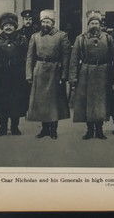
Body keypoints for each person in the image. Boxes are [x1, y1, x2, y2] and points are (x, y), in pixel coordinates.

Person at [69, 11, 114, 140]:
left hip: (103, 72)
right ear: (88, 25)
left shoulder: (107, 38)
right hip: (86, 71)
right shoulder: (81, 38)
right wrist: (73, 77)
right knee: (87, 103)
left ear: (100, 25)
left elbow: (113, 58)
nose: (94, 25)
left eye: (97, 23)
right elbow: (74, 59)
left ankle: (99, 130)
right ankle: (89, 130)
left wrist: (112, 77)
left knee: (101, 102)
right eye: (92, 23)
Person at [25, 10, 71, 139]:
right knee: (41, 102)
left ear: (53, 23)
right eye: (43, 22)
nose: (45, 24)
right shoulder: (35, 36)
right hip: (39, 70)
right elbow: (30, 57)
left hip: (55, 71)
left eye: (48, 22)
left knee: (53, 102)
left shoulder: (62, 36)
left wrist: (64, 75)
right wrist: (29, 74)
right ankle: (44, 129)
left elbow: (66, 58)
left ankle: (53, 130)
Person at [0, 12, 29, 136]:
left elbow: (27, 55)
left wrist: (16, 65)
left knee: (16, 100)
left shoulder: (22, 40)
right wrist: (0, 66)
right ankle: (2, 128)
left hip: (17, 75)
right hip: (0, 76)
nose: (8, 27)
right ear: (2, 27)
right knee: (1, 101)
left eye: (11, 25)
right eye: (5, 25)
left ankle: (15, 127)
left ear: (15, 26)